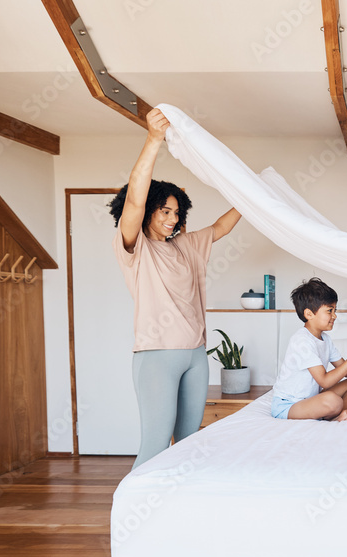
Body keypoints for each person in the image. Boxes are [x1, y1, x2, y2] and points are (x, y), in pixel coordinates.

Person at [111, 107, 243, 469]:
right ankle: (131, 519)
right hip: (157, 357)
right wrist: (154, 140)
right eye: (164, 211)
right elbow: (135, 199)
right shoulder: (136, 247)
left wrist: (252, 195)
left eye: (175, 213)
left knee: (188, 444)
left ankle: (175, 512)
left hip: (195, 356)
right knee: (155, 445)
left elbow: (220, 227)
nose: (171, 220)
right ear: (150, 211)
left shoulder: (185, 245)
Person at [271, 277, 347, 421]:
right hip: (289, 405)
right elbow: (324, 381)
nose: (335, 316)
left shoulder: (325, 339)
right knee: (332, 400)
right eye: (330, 311)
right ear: (309, 314)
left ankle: (340, 413)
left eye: (335, 310)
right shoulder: (302, 340)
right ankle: (335, 415)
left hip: (312, 399)